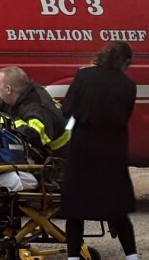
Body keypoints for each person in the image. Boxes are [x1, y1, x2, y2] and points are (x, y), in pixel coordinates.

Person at [56, 41, 139, 260]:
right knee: (117, 209)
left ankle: (73, 256)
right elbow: (123, 117)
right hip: (112, 151)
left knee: (76, 210)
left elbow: (67, 110)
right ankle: (132, 256)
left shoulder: (83, 77)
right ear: (125, 62)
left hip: (82, 150)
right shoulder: (128, 86)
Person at [0, 66, 69, 160]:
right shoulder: (19, 94)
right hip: (46, 151)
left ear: (8, 89)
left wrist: (12, 122)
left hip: (59, 156)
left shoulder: (36, 106)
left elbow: (34, 135)